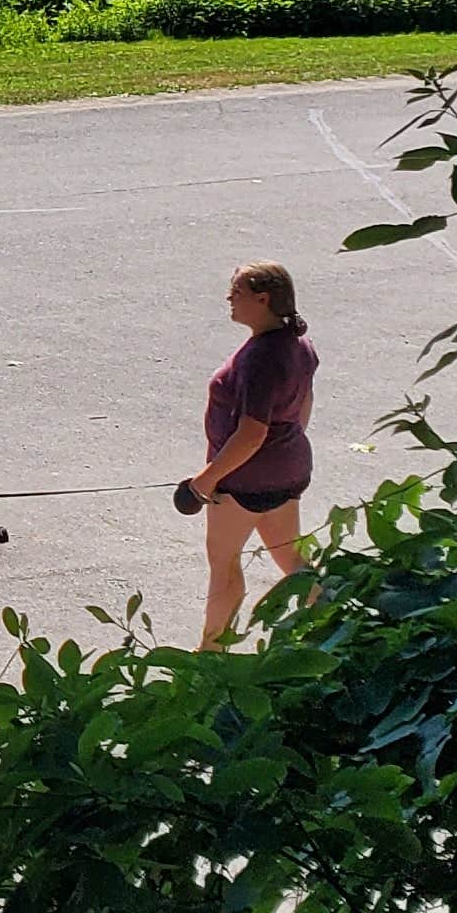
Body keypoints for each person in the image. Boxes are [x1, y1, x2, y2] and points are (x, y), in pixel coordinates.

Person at [184, 261, 317, 646]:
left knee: (224, 567)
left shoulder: (260, 358)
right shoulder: (299, 345)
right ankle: (336, 630)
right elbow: (304, 402)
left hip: (243, 481)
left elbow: (252, 432)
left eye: (237, 292)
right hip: (288, 470)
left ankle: (210, 653)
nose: (230, 298)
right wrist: (284, 449)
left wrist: (203, 482)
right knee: (292, 559)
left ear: (263, 299)